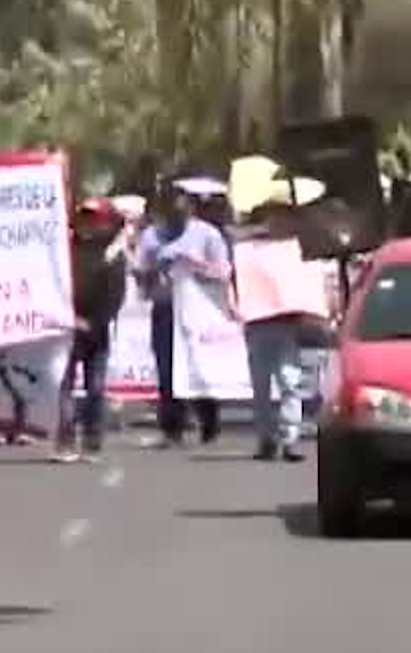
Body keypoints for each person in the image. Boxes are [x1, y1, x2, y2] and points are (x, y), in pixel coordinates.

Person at [234, 195, 330, 462]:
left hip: (288, 323)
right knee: (261, 386)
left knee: (289, 381)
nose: (279, 221)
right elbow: (238, 279)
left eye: (284, 215)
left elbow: (312, 284)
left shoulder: (299, 250)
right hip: (258, 323)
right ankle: (266, 440)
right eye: (275, 215)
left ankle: (289, 439)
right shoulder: (250, 250)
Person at [134, 187, 231, 448]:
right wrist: (153, 268)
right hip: (165, 307)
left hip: (196, 309)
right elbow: (140, 273)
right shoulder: (151, 236)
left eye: (181, 205)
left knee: (198, 365)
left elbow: (223, 273)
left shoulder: (207, 234)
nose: (176, 211)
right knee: (166, 367)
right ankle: (171, 428)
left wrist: (196, 264)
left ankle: (209, 422)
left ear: (190, 206)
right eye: (170, 206)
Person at [56, 198, 129, 462]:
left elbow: (115, 297)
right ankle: (65, 440)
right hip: (66, 329)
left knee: (96, 388)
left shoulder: (112, 255)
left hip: (97, 333)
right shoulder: (63, 251)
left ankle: (92, 441)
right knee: (62, 386)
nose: (88, 223)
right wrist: (68, 317)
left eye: (94, 218)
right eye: (85, 217)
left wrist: (95, 323)